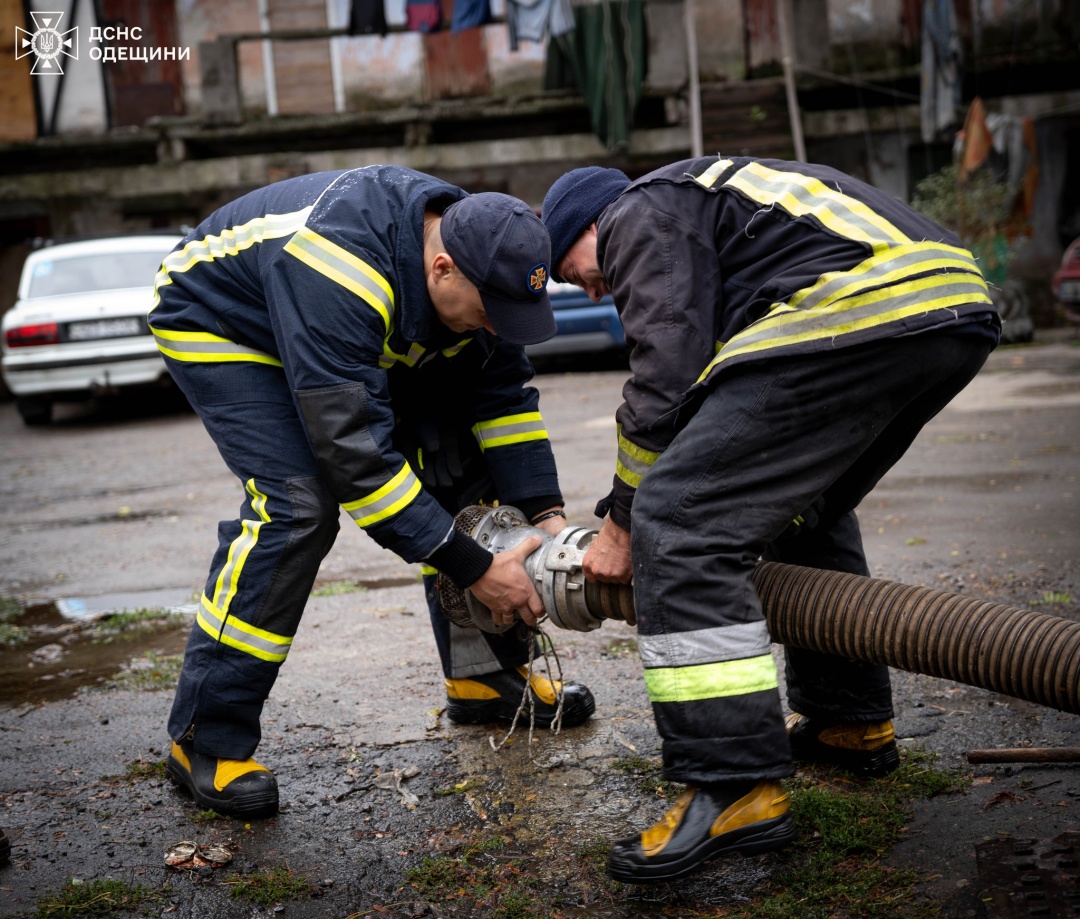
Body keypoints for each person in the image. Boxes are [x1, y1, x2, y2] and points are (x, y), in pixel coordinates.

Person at [541, 156, 1000, 883]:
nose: (592, 290)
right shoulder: (704, 208)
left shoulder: (638, 210)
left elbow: (665, 374)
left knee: (678, 522)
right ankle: (848, 718)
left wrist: (623, 524)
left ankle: (732, 784)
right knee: (795, 508)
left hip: (862, 305)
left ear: (590, 222)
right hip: (949, 306)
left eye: (578, 273)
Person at [149, 166, 595, 819]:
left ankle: (482, 677)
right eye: (490, 316)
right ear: (441, 269)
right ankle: (204, 738)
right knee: (297, 508)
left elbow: (503, 403)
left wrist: (546, 518)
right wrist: (474, 568)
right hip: (226, 318)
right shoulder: (341, 270)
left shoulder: (488, 255)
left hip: (343, 324)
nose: (498, 330)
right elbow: (357, 460)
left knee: (459, 468)